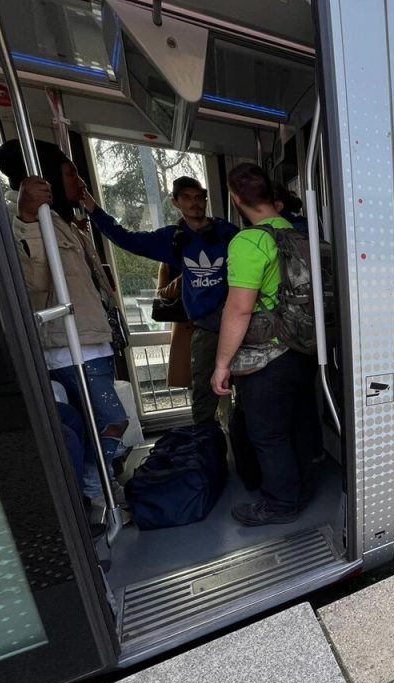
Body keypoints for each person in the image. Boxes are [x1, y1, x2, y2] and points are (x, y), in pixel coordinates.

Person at [0, 139, 128, 502]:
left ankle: (100, 482)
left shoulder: (63, 222)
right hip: (71, 348)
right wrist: (27, 218)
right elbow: (34, 284)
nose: (81, 183)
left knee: (93, 423)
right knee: (113, 420)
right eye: (73, 174)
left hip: (90, 340)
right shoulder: (25, 221)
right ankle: (92, 486)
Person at [81, 176, 238, 427]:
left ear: (205, 200)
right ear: (176, 202)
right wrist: (94, 210)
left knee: (248, 387)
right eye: (186, 198)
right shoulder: (174, 239)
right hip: (206, 327)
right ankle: (208, 449)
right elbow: (126, 238)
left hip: (239, 321)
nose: (194, 203)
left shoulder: (227, 234)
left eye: (198, 197)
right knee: (203, 394)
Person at [212, 163, 319, 525]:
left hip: (267, 356)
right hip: (305, 348)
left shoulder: (249, 241)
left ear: (237, 199)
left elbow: (240, 310)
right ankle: (303, 487)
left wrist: (222, 363)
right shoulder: (303, 235)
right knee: (300, 422)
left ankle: (280, 503)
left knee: (268, 433)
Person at [157, 262, 193, 389]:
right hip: (185, 324)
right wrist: (180, 281)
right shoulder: (168, 261)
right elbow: (161, 293)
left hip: (214, 323)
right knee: (193, 379)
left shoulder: (214, 253)